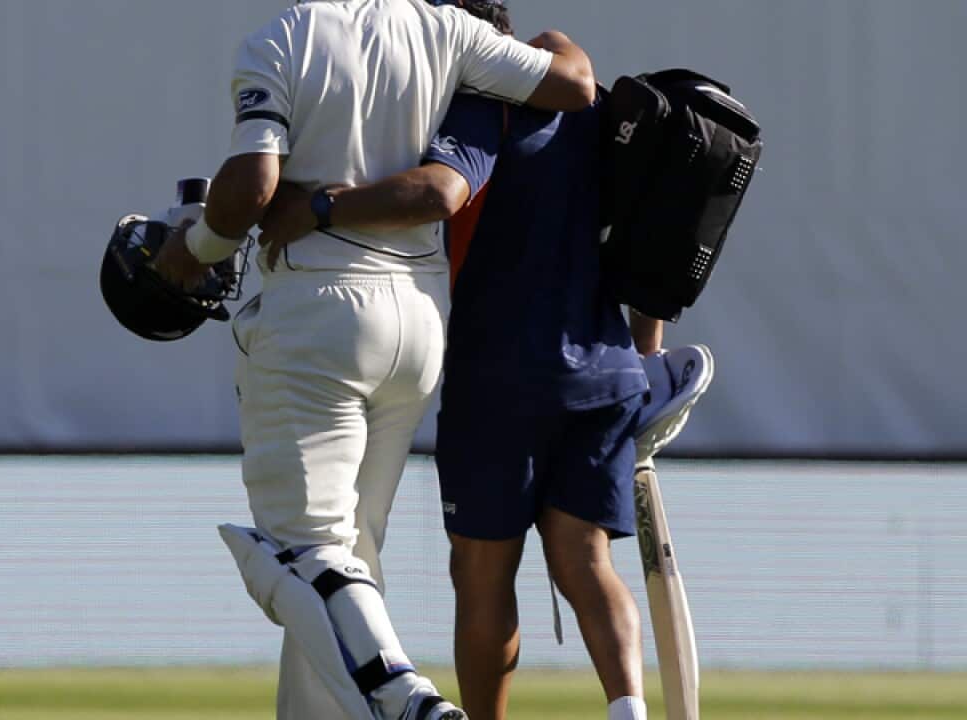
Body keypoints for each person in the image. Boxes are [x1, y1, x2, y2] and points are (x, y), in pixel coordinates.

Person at [256, 4, 711, 719]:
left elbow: (439, 193)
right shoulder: (591, 101)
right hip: (607, 373)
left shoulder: (480, 102)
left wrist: (318, 208)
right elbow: (648, 245)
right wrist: (644, 360)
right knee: (586, 560)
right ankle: (628, 711)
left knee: (481, 572)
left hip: (500, 376)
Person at [152, 1, 598, 718]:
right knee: (351, 555)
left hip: (319, 311)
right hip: (417, 319)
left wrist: (197, 247)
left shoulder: (283, 36)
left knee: (303, 553)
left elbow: (254, 185)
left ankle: (410, 702)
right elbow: (574, 85)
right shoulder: (447, 28)